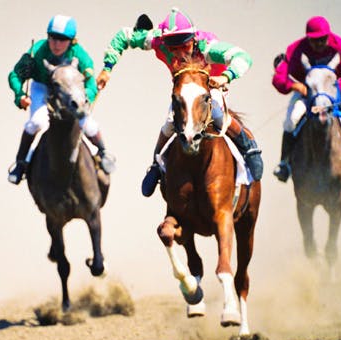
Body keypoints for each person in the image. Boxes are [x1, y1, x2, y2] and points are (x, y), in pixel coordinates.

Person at [96, 7, 263, 197]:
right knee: (169, 123)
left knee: (217, 114)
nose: (179, 54)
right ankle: (156, 165)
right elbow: (124, 36)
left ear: (193, 40)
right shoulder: (157, 40)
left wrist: (226, 77)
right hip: (183, 90)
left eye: (184, 47)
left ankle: (250, 147)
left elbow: (243, 57)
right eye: (173, 49)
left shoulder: (207, 47)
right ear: (165, 43)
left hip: (209, 87)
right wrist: (107, 68)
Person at [7, 15, 115, 185]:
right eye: (53, 38)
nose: (56, 44)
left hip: (69, 91)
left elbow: (91, 85)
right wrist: (20, 95)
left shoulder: (80, 55)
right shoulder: (37, 51)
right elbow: (15, 75)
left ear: (72, 41)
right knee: (37, 122)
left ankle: (103, 153)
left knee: (87, 123)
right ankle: (20, 163)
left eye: (62, 40)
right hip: (43, 87)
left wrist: (85, 97)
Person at [272, 16, 341, 182]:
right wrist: (293, 85)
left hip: (337, 90)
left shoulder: (339, 45)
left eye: (322, 39)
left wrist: (333, 90)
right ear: (307, 38)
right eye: (314, 40)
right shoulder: (295, 49)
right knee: (291, 119)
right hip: (308, 92)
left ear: (329, 35)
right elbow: (279, 78)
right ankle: (284, 163)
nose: (319, 44)